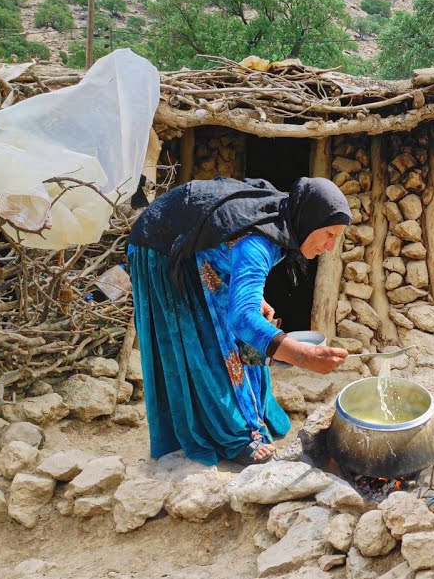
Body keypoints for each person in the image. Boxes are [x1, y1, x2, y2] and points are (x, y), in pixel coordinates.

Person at [128, 176, 351, 466]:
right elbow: (242, 317)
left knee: (250, 335)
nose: (330, 246)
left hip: (196, 249)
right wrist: (304, 356)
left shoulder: (281, 221)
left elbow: (226, 249)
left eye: (337, 237)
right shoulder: (257, 244)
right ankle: (233, 437)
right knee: (202, 344)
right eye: (329, 234)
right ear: (309, 221)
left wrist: (255, 299)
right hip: (160, 247)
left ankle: (252, 414)